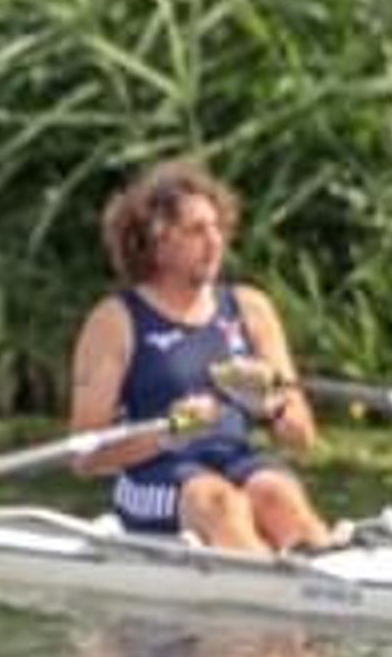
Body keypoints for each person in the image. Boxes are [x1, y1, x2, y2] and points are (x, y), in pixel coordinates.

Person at [65, 157, 334, 557]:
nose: (214, 242)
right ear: (158, 243)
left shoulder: (251, 308)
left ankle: (322, 577)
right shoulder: (115, 321)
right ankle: (260, 599)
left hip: (236, 461)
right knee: (222, 504)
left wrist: (273, 404)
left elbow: (303, 437)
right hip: (153, 478)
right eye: (195, 231)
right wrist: (168, 432)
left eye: (216, 227)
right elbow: (83, 454)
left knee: (281, 496)